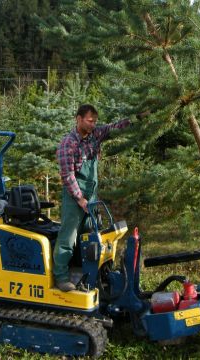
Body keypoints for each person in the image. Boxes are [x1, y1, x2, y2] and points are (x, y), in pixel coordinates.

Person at [53, 104, 132, 292]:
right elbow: (67, 176)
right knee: (69, 237)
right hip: (75, 199)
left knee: (90, 236)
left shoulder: (95, 135)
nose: (93, 124)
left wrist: (136, 119)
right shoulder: (68, 144)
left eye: (95, 121)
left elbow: (113, 128)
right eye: (89, 121)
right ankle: (61, 277)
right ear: (78, 119)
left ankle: (87, 274)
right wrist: (80, 199)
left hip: (92, 198)